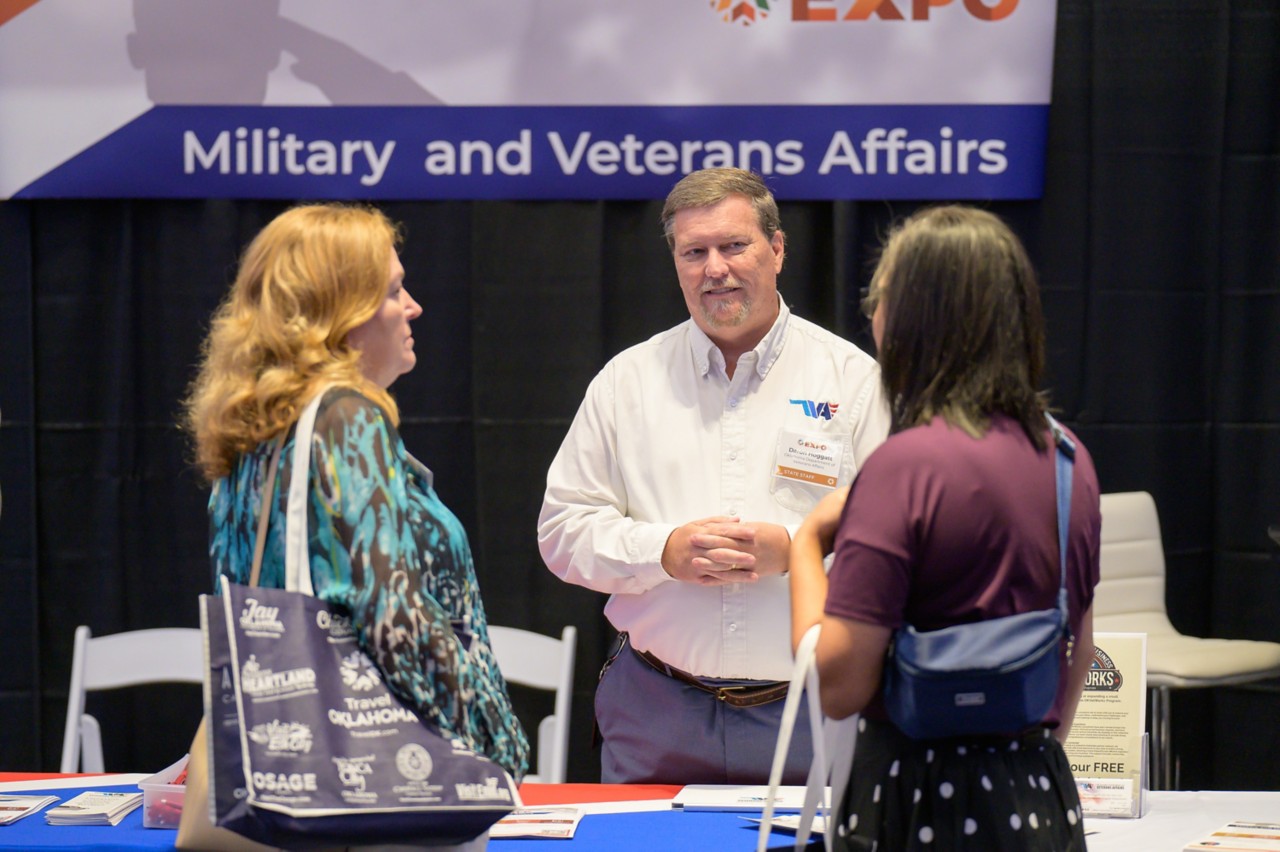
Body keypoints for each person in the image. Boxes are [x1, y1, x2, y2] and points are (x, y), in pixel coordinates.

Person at [538, 168, 890, 784]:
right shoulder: (627, 382)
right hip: (655, 712)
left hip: (811, 714)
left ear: (777, 250)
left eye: (733, 246)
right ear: (675, 263)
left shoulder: (854, 382)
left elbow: (899, 551)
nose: (714, 268)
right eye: (694, 252)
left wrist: (798, 552)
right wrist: (662, 551)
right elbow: (563, 532)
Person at [790, 205, 1101, 851]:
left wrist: (805, 544)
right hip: (1037, 792)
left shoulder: (904, 467)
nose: (872, 319)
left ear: (915, 321)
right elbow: (1075, 651)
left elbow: (840, 688)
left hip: (915, 800)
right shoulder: (1069, 459)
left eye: (881, 300)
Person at [183, 203, 528, 780]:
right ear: (338, 314)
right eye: (394, 290)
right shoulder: (347, 418)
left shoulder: (254, 431)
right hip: (377, 780)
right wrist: (498, 749)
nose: (413, 306)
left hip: (285, 768)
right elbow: (396, 619)